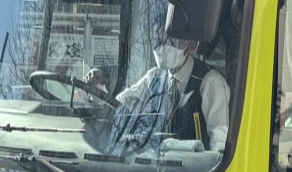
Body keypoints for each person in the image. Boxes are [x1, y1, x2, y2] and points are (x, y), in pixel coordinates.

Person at [98, 36, 230, 155]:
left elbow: (219, 144)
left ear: (189, 43)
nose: (162, 47)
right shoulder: (155, 76)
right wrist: (99, 89)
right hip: (157, 169)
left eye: (171, 41)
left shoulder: (210, 82)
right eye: (158, 41)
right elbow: (122, 103)